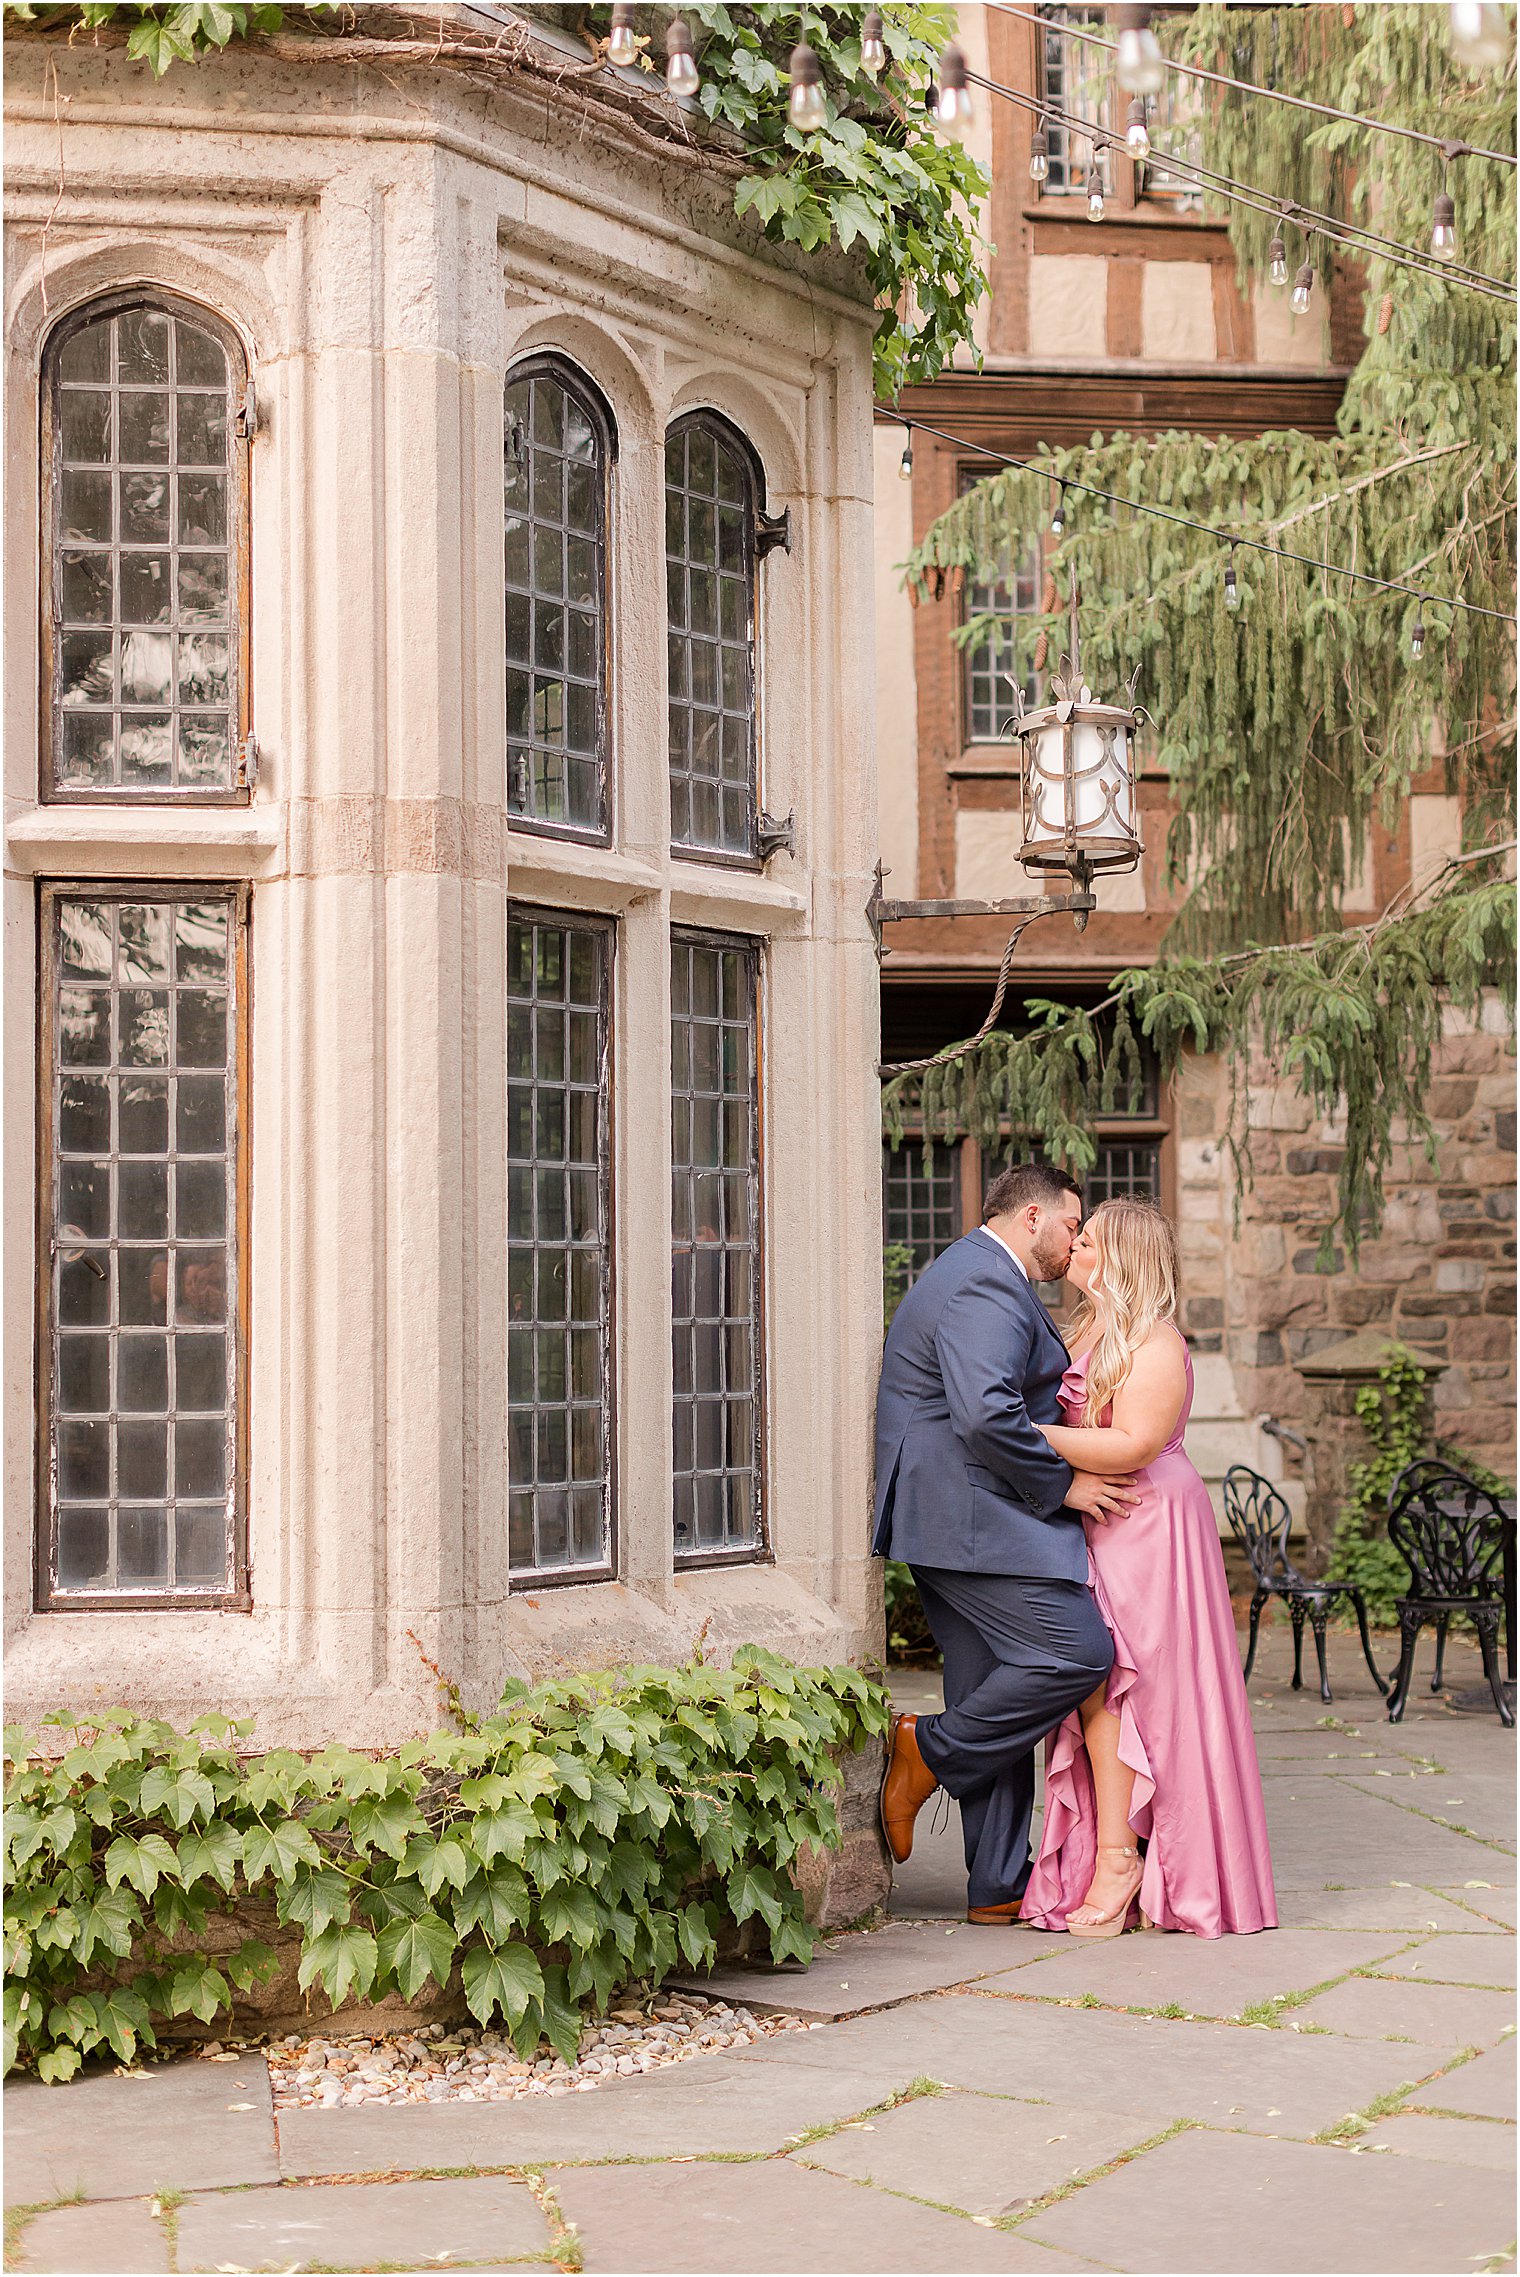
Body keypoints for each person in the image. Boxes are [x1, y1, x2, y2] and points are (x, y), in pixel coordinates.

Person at [874, 1163, 1137, 1924]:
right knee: (1077, 1652)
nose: (1075, 1240)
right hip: (969, 1515)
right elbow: (987, 1415)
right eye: (1070, 1224)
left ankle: (997, 1882)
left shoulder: (981, 1272)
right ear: (1031, 1216)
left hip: (954, 1514)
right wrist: (1064, 1487)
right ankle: (928, 1749)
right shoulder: (987, 1279)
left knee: (992, 1680)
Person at [1020, 1199, 1277, 1940]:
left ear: (1122, 1255)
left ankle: (1125, 1861)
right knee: (1096, 1684)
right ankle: (1113, 1855)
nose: (1073, 1247)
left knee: (1143, 1693)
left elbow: (1133, 1442)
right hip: (1103, 1523)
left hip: (1150, 1525)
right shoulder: (1088, 1326)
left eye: (1089, 1239)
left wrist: (1027, 1433)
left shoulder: (1155, 1340)